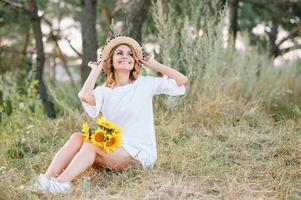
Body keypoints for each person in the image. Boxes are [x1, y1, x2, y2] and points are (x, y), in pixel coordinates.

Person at [28, 35, 188, 195]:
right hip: (112, 149)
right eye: (119, 53)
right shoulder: (104, 91)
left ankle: (60, 185)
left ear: (134, 63)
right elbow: (84, 96)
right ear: (111, 61)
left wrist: (155, 65)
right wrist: (96, 70)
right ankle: (45, 181)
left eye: (130, 54)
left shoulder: (145, 84)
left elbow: (182, 80)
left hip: (139, 154)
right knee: (78, 137)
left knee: (92, 145)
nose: (125, 56)